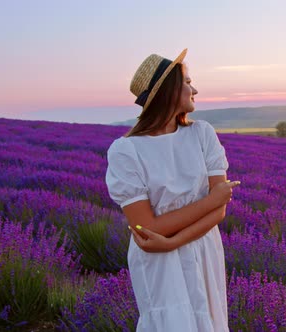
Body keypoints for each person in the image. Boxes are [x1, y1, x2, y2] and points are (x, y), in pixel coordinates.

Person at [105, 48, 239, 331]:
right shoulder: (126, 151)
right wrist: (213, 199)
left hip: (204, 248)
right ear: (168, 90)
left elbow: (220, 211)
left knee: (209, 322)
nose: (195, 89)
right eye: (188, 82)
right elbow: (146, 227)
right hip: (159, 261)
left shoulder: (202, 133)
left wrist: (173, 241)